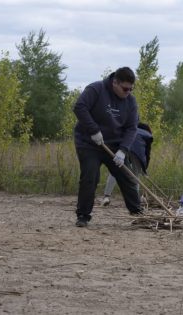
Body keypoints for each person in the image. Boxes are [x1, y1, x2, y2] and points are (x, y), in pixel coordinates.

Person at [73, 67, 142, 227]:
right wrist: (94, 130)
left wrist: (123, 150)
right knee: (90, 176)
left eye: (131, 89)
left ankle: (137, 213)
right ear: (115, 82)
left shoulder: (130, 101)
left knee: (126, 175)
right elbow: (80, 107)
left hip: (115, 145)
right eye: (125, 88)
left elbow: (132, 128)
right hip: (89, 142)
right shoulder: (96, 89)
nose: (128, 92)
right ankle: (83, 215)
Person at [101, 122, 153, 206]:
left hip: (122, 147)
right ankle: (135, 201)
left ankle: (106, 197)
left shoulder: (128, 129)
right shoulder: (148, 136)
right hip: (137, 153)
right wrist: (144, 169)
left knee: (114, 172)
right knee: (135, 176)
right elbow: (147, 154)